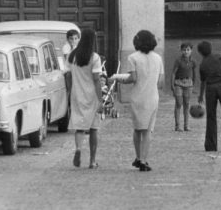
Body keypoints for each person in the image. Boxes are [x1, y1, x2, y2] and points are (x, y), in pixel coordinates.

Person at [111, 30, 164, 172]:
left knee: (137, 129)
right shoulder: (158, 58)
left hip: (137, 97)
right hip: (152, 97)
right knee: (148, 131)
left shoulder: (132, 58)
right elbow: (161, 81)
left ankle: (138, 156)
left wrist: (119, 79)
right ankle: (144, 159)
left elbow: (132, 78)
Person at [66, 27, 103, 169]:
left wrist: (70, 90)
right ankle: (92, 161)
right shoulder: (94, 57)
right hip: (91, 95)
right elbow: (96, 79)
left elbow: (68, 75)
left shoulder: (72, 56)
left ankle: (78, 149)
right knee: (93, 128)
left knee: (79, 127)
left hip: (77, 93)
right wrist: (100, 99)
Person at [170, 42, 197, 132]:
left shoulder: (193, 61)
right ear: (181, 51)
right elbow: (173, 73)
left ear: (191, 51)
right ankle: (177, 125)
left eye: (188, 50)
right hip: (178, 82)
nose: (186, 51)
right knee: (178, 103)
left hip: (188, 83)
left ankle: (186, 125)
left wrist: (193, 83)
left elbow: (194, 73)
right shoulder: (178, 60)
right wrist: (172, 85)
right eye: (184, 50)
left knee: (186, 104)